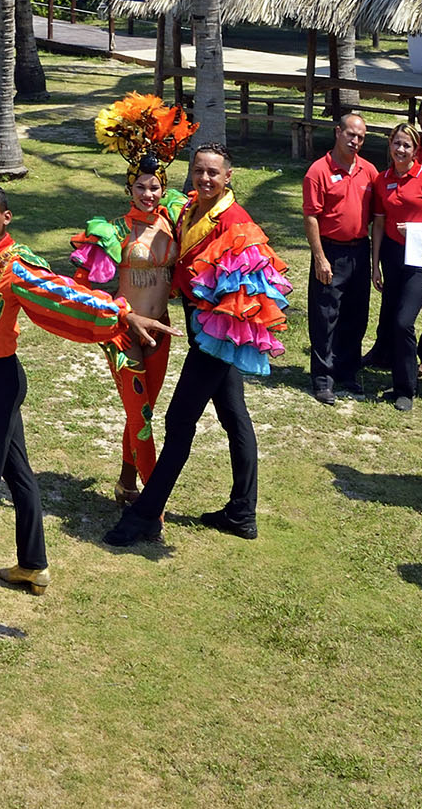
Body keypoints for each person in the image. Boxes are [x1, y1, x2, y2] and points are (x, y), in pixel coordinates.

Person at [0, 180, 132, 603]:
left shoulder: (13, 262)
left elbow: (60, 292)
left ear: (6, 217)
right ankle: (34, 564)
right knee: (19, 474)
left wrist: (118, 314)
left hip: (1, 384)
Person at [119, 145, 290, 546]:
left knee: (178, 423)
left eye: (214, 173)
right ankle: (242, 513)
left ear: (229, 177)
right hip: (200, 327)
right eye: (199, 171)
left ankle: (145, 514)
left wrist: (219, 328)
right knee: (234, 416)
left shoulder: (236, 223)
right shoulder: (191, 206)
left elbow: (249, 289)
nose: (205, 179)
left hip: (218, 335)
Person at [85, 92, 191, 504]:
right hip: (124, 334)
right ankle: (153, 501)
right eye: (142, 187)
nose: (149, 194)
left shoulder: (175, 224)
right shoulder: (113, 231)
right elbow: (90, 287)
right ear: (130, 187)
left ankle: (127, 483)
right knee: (142, 414)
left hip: (160, 332)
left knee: (142, 411)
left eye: (156, 187)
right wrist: (117, 313)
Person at [368, 124, 422, 412]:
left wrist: (420, 228)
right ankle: (398, 377)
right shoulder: (383, 180)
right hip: (392, 255)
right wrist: (375, 264)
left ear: (415, 150)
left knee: (404, 321)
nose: (401, 150)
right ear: (390, 145)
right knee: (392, 318)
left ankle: (407, 389)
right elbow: (378, 223)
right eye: (397, 144)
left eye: (407, 145)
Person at [300, 112, 381, 404]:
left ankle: (347, 373)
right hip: (330, 251)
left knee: (355, 316)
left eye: (360, 137)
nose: (355, 141)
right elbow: (311, 218)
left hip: (359, 250)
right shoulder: (318, 171)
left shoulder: (369, 171)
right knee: (325, 317)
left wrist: (374, 261)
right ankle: (323, 379)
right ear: (338, 132)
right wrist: (320, 258)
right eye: (350, 134)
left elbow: (378, 217)